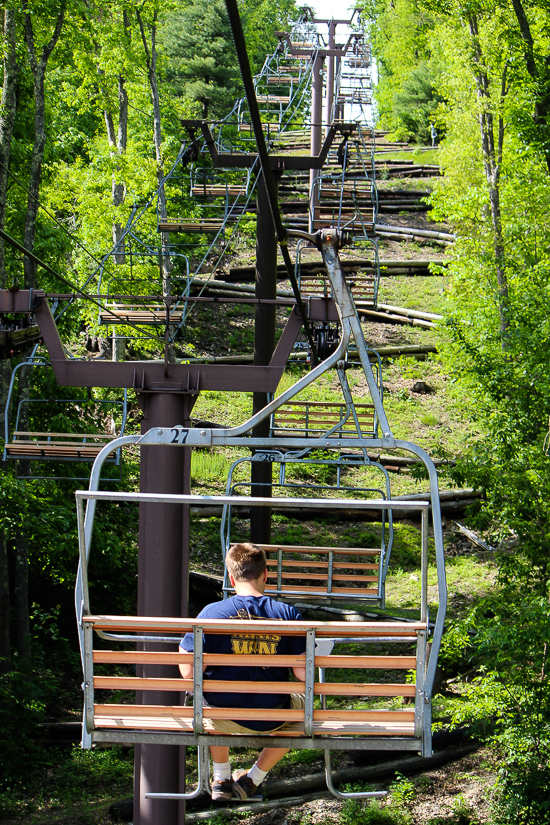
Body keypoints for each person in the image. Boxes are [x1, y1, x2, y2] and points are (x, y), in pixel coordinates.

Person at [179, 542, 306, 802]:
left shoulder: (211, 614)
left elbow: (189, 672)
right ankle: (253, 779)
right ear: (265, 574)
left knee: (209, 701)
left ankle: (221, 779)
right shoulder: (289, 615)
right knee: (305, 710)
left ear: (231, 577)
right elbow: (303, 675)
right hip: (273, 715)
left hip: (223, 715)